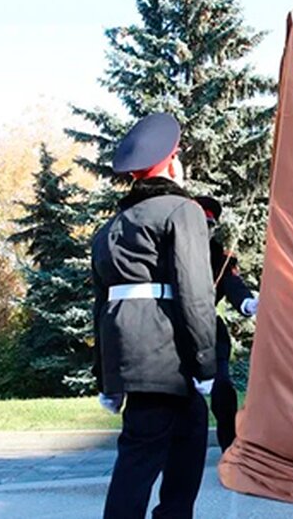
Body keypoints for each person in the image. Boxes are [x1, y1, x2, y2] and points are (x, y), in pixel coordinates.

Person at [91, 113, 218, 519]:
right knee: (177, 464)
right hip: (172, 360)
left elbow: (102, 307)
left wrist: (106, 379)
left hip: (132, 364)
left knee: (141, 459)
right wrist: (206, 364)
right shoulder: (182, 211)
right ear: (173, 161)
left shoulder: (109, 229)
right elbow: (196, 291)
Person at [192, 195, 258, 450]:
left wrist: (247, 303)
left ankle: (230, 447)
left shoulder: (220, 258)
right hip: (173, 333)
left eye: (208, 226)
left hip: (209, 333)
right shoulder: (166, 250)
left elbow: (232, 284)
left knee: (222, 391)